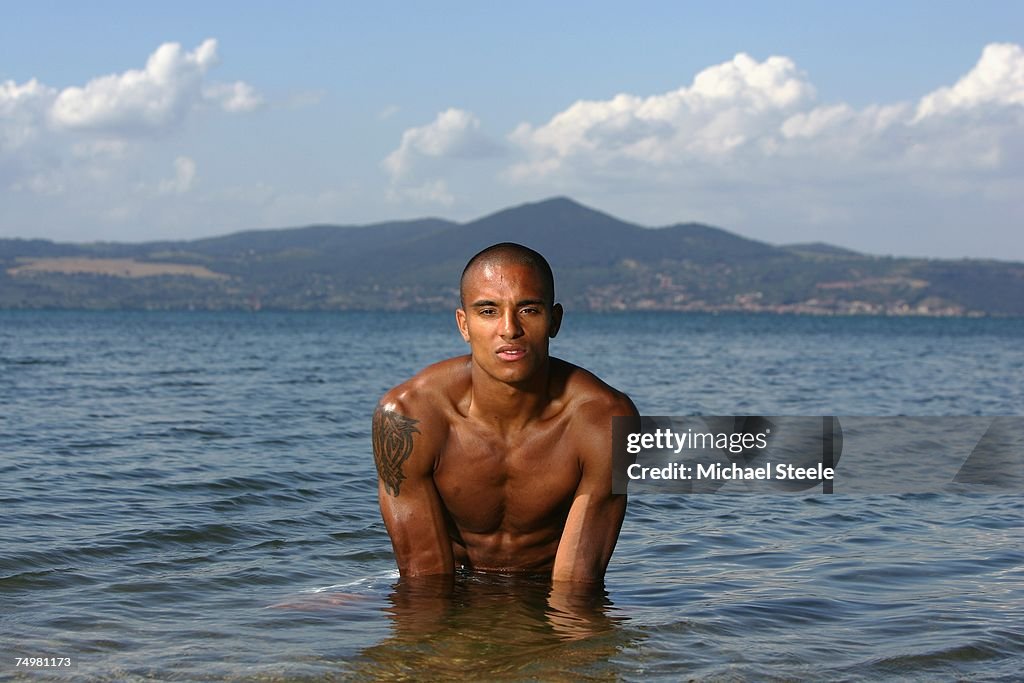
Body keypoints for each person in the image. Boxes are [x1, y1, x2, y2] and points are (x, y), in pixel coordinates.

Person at [373, 243, 638, 585]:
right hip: (453, 585)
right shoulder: (408, 417)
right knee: (300, 610)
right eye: (488, 311)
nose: (509, 329)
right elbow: (425, 581)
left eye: (528, 310)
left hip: (544, 590)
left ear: (554, 320)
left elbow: (576, 587)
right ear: (463, 324)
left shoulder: (606, 419)